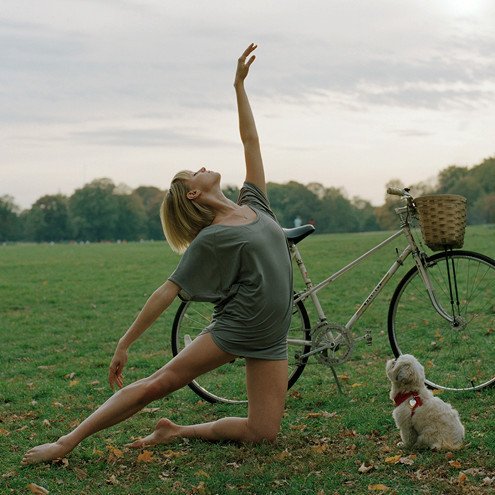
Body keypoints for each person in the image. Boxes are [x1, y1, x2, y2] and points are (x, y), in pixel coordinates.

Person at [21, 43, 293, 466]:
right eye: (195, 171)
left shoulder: (254, 203)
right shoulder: (212, 238)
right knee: (158, 383)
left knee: (262, 433)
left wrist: (238, 86)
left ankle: (174, 430)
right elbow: (165, 293)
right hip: (237, 330)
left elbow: (251, 140)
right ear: (195, 193)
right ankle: (66, 442)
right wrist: (125, 343)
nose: (203, 166)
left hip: (271, 336)